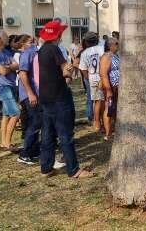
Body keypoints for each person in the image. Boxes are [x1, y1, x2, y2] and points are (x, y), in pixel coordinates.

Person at [38, 20, 93, 178]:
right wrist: (74, 65)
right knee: (65, 134)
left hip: (46, 97)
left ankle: (46, 168)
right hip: (59, 98)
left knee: (47, 134)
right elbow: (65, 73)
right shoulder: (55, 50)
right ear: (59, 35)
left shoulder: (42, 50)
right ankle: (74, 170)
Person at [17, 35, 41, 165]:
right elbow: (22, 74)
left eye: (33, 41)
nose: (33, 43)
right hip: (29, 94)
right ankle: (24, 153)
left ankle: (34, 150)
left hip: (37, 93)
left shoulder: (37, 53)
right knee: (35, 122)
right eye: (30, 42)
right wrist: (30, 93)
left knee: (37, 122)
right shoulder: (28, 53)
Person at [79, 32, 105, 133]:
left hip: (92, 77)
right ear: (97, 40)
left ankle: (96, 122)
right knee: (103, 101)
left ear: (86, 42)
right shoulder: (101, 48)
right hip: (103, 76)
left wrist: (88, 78)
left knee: (97, 102)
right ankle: (100, 122)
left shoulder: (84, 53)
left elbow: (83, 69)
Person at [99, 37, 119, 141]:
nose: (118, 45)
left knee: (114, 108)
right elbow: (103, 74)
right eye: (117, 43)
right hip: (110, 87)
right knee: (109, 109)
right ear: (111, 45)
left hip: (116, 87)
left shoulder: (115, 56)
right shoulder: (106, 57)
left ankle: (114, 129)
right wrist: (108, 89)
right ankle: (108, 133)